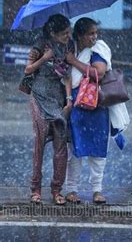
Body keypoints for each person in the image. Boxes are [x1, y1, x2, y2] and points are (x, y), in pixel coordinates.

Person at [24, 14, 73, 205]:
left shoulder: (67, 47)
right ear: (52, 33)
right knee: (40, 144)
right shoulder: (39, 44)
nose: (68, 36)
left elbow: (67, 76)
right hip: (39, 97)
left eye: (69, 32)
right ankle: (35, 189)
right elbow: (27, 70)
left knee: (61, 146)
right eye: (64, 33)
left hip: (58, 99)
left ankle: (56, 189)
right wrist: (45, 58)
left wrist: (69, 99)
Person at [64, 17, 112, 204]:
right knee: (74, 148)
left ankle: (97, 190)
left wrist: (74, 61)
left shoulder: (98, 49)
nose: (94, 37)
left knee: (98, 149)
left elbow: (98, 73)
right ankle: (72, 189)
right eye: (90, 33)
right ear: (79, 35)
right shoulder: (71, 48)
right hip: (77, 105)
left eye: (95, 33)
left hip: (97, 105)